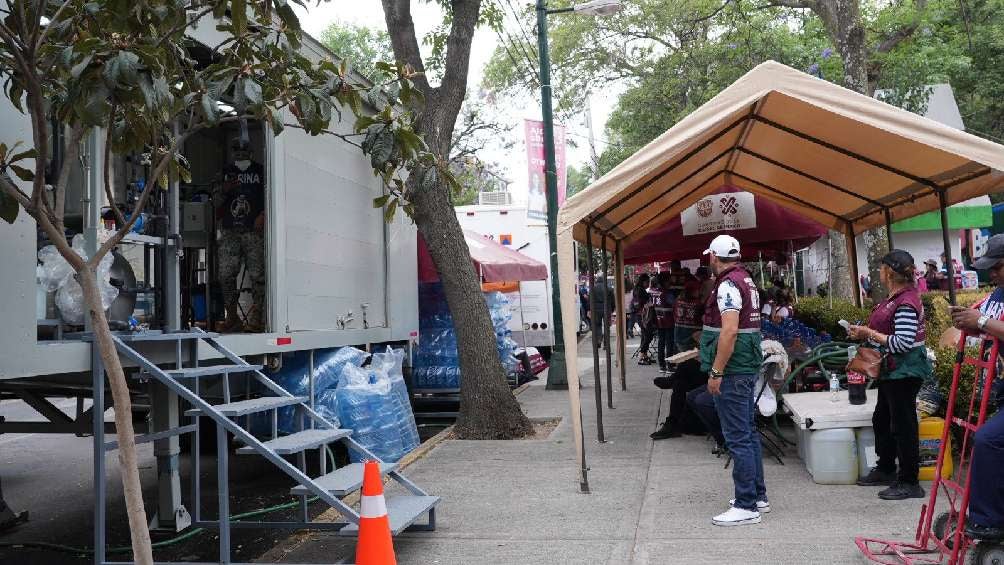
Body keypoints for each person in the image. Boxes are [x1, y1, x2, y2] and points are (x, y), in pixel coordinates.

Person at [849, 250, 931, 500]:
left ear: (891, 272)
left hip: (905, 371)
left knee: (903, 426)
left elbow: (902, 343)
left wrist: (868, 334)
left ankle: (909, 481)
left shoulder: (906, 302)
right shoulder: (894, 298)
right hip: (892, 370)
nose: (879, 272)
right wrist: (863, 332)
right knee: (882, 419)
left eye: (882, 268)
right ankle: (886, 468)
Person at [700, 234, 768, 526]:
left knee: (737, 437)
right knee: (748, 433)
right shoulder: (746, 279)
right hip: (745, 363)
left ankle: (746, 505)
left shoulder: (727, 285)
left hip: (733, 368)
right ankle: (757, 496)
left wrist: (716, 371)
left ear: (713, 257)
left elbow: (728, 332)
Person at [950, 234, 1004, 541]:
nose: (991, 273)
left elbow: (988, 322)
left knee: (988, 440)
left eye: (996, 266)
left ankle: (990, 522)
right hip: (1001, 389)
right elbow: (987, 323)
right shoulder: (997, 293)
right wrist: (968, 322)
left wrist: (980, 321)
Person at [216, 139, 266, 333]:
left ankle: (257, 318)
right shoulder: (225, 173)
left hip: (253, 232)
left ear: (251, 153)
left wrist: (263, 215)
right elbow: (215, 202)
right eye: (236, 150)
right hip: (230, 232)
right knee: (225, 275)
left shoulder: (261, 172)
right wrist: (224, 189)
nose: (240, 154)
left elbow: (272, 195)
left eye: (244, 151)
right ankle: (232, 316)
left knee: (258, 276)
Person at [651, 279, 706, 440]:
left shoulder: (680, 301)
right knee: (682, 379)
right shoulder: (699, 305)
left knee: (683, 373)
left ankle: (672, 423)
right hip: (713, 364)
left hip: (720, 372)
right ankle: (672, 423)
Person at [653, 271, 676, 373]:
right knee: (669, 343)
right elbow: (674, 303)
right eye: (669, 280)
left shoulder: (655, 292)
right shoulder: (667, 293)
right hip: (668, 321)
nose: (670, 282)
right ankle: (670, 366)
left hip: (659, 321)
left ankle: (662, 365)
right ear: (665, 281)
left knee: (661, 343)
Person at [589, 274, 614, 349]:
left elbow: (590, 300)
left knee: (597, 326)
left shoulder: (593, 289)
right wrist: (612, 309)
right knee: (607, 326)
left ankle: (599, 340)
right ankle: (606, 344)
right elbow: (613, 301)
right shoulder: (609, 288)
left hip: (596, 309)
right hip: (607, 309)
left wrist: (590, 309)